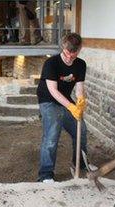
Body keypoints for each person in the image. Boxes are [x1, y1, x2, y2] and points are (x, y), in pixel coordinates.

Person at [37, 33, 88, 183]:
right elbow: (53, 91)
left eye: (73, 55)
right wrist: (71, 107)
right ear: (63, 48)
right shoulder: (51, 63)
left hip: (65, 100)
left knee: (81, 130)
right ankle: (45, 174)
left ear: (79, 50)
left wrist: (80, 100)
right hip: (48, 100)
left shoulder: (80, 64)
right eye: (67, 54)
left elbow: (79, 87)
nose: (69, 58)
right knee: (52, 135)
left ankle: (80, 164)